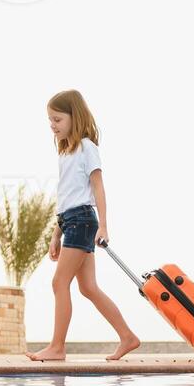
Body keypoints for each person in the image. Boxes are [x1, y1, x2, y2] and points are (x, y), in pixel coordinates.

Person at [26, 90, 141, 362]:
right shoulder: (65, 152)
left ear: (73, 117)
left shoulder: (87, 147)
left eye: (57, 119)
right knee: (88, 287)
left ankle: (57, 347)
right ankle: (128, 337)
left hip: (83, 221)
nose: (52, 126)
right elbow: (65, 198)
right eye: (50, 121)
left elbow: (98, 187)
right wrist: (56, 233)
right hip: (70, 221)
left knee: (59, 282)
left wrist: (104, 225)